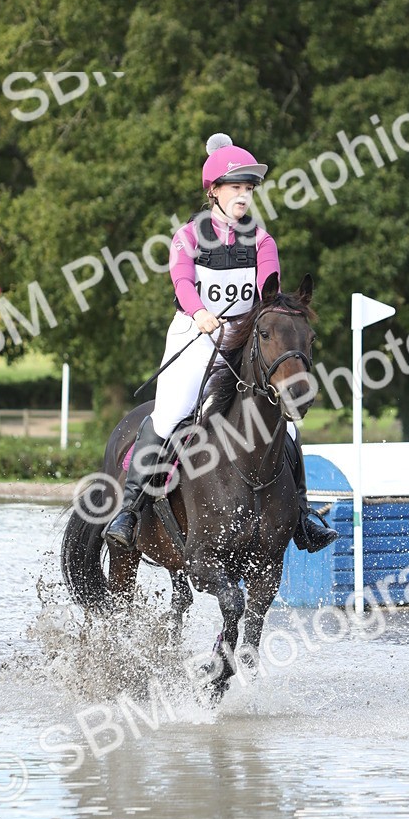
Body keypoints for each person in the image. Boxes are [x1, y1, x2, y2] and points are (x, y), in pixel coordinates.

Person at [103, 133, 338, 554]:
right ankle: (130, 508)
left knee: (283, 415)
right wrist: (199, 312)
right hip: (195, 333)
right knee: (172, 411)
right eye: (236, 188)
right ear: (214, 191)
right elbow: (180, 280)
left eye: (249, 189)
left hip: (242, 339)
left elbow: (269, 287)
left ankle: (301, 513)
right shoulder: (188, 235)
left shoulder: (262, 241)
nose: (244, 196)